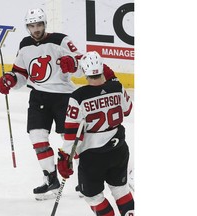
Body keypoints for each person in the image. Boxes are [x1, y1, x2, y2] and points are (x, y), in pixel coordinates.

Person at [0, 8, 85, 200]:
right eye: (31, 26)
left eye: (39, 25)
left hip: (64, 96)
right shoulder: (25, 44)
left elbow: (81, 65)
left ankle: (85, 178)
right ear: (27, 27)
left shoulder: (61, 40)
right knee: (37, 136)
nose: (35, 29)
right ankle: (50, 178)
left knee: (70, 139)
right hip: (38, 97)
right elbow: (21, 74)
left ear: (45, 24)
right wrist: (10, 79)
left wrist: (73, 64)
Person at [57, 51, 134, 215]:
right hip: (119, 149)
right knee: (121, 191)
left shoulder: (78, 97)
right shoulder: (117, 87)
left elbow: (71, 133)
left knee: (93, 197)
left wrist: (65, 157)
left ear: (84, 72)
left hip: (93, 156)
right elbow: (128, 110)